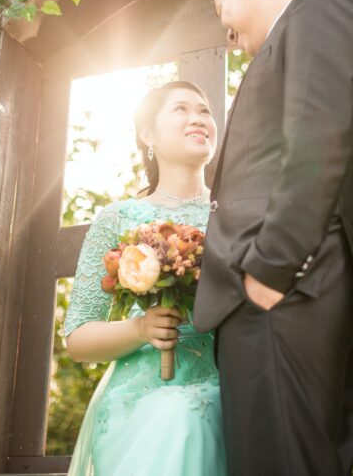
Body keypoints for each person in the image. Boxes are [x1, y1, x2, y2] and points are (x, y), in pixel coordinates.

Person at [193, 0, 353, 475]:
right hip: (283, 295)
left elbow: (320, 131)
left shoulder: (319, 5)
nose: (227, 34)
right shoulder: (288, 38)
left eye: (220, 9)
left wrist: (270, 270)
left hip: (287, 290)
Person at [62, 81, 225, 476]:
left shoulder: (235, 216)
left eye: (204, 110)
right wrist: (140, 328)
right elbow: (78, 339)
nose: (197, 118)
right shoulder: (117, 220)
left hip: (230, 384)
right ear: (147, 134)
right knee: (181, 419)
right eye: (181, 109)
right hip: (141, 398)